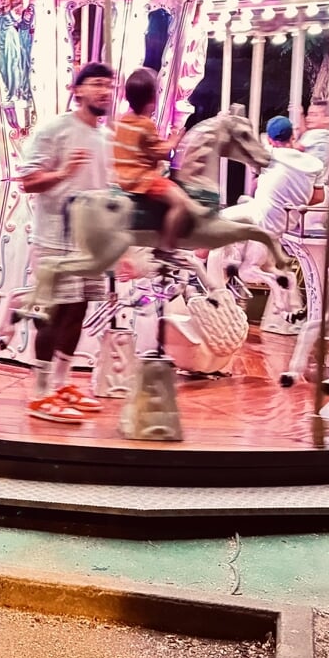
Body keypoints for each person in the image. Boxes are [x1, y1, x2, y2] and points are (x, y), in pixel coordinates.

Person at [16, 62, 116, 424]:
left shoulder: (107, 138)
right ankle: (39, 393)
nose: (104, 91)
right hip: (55, 238)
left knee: (78, 311)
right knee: (53, 313)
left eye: (109, 85)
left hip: (92, 240)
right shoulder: (55, 129)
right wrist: (63, 173)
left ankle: (61, 385)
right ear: (78, 90)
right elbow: (27, 181)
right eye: (97, 84)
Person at [112, 68, 192, 251]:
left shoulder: (122, 120)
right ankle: (167, 247)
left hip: (121, 175)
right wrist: (174, 139)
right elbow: (161, 152)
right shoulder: (145, 125)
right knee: (181, 203)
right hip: (141, 178)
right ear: (152, 102)